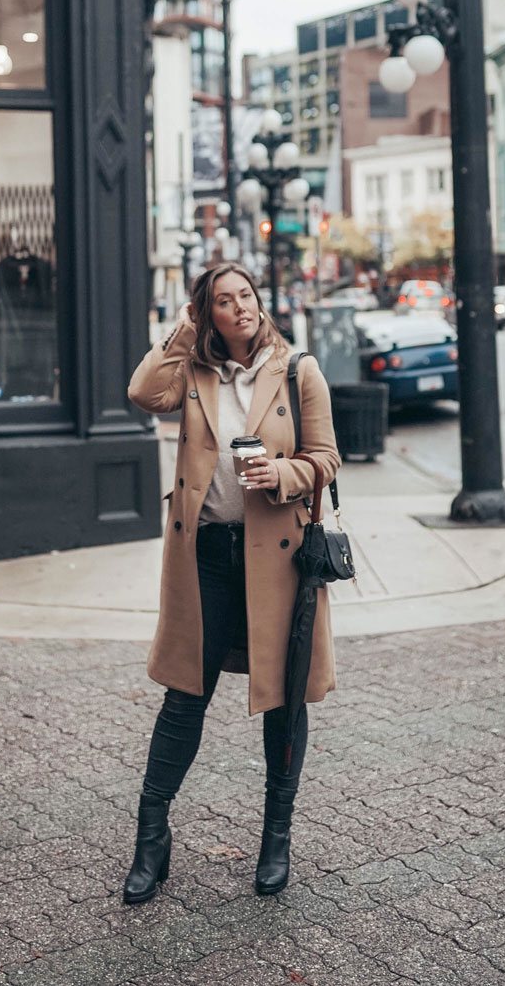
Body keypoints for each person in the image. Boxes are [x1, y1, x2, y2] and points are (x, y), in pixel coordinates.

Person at [123, 261, 341, 904]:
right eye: (224, 300)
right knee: (184, 695)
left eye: (246, 295)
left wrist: (283, 475)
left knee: (283, 697)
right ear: (207, 312)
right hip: (207, 557)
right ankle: (151, 839)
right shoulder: (192, 369)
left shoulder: (297, 369)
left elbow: (327, 458)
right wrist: (183, 330)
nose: (240, 307)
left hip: (277, 560)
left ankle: (277, 838)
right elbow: (141, 391)